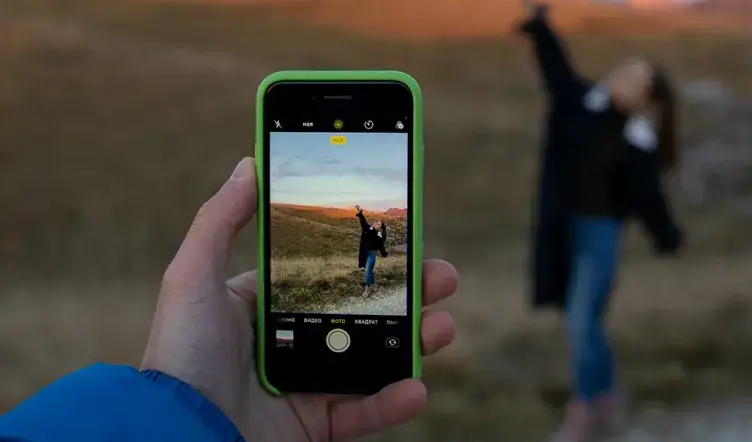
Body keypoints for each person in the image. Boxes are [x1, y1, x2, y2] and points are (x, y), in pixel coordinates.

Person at [0, 158, 458, 442]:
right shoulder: (368, 229)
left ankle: (364, 287)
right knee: (371, 275)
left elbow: (373, 232)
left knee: (376, 273)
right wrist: (197, 405)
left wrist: (188, 405)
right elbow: (366, 227)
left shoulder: (375, 232)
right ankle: (363, 287)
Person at [514, 0, 684, 441]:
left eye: (639, 80)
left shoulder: (636, 138)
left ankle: (586, 408)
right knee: (583, 318)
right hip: (563, 227)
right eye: (626, 69)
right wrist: (540, 24)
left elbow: (650, 198)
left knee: (580, 318)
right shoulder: (580, 103)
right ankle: (606, 396)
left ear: (645, 97)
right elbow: (554, 67)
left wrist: (667, 235)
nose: (626, 78)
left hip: (601, 233)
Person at [355, 205, 389, 298]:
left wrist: (384, 254)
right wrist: (360, 213)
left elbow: (381, 246)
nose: (376, 224)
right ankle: (373, 284)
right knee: (369, 270)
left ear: (380, 229)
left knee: (367, 271)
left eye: (378, 224)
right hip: (364, 252)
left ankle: (368, 288)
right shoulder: (368, 228)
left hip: (372, 254)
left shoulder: (378, 235)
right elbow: (363, 223)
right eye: (376, 222)